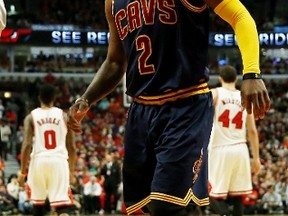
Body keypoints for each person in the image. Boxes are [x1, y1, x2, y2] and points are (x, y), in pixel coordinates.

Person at [67, 0, 270, 215]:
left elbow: (239, 15)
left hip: (185, 103)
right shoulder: (112, 2)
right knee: (147, 207)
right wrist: (87, 98)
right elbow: (116, 62)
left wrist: (251, 73)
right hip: (141, 111)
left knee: (166, 206)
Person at [208, 65, 261, 216]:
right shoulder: (245, 98)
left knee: (208, 191)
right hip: (240, 149)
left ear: (220, 78)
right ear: (236, 79)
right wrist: (256, 158)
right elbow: (252, 131)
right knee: (238, 195)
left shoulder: (215, 94)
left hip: (220, 148)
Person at [18, 84, 77, 216]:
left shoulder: (31, 117)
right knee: (63, 206)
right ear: (54, 98)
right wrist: (71, 171)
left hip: (38, 160)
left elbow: (26, 145)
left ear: (39, 98)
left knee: (38, 206)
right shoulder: (65, 116)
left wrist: (22, 173)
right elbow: (72, 147)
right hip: (59, 160)